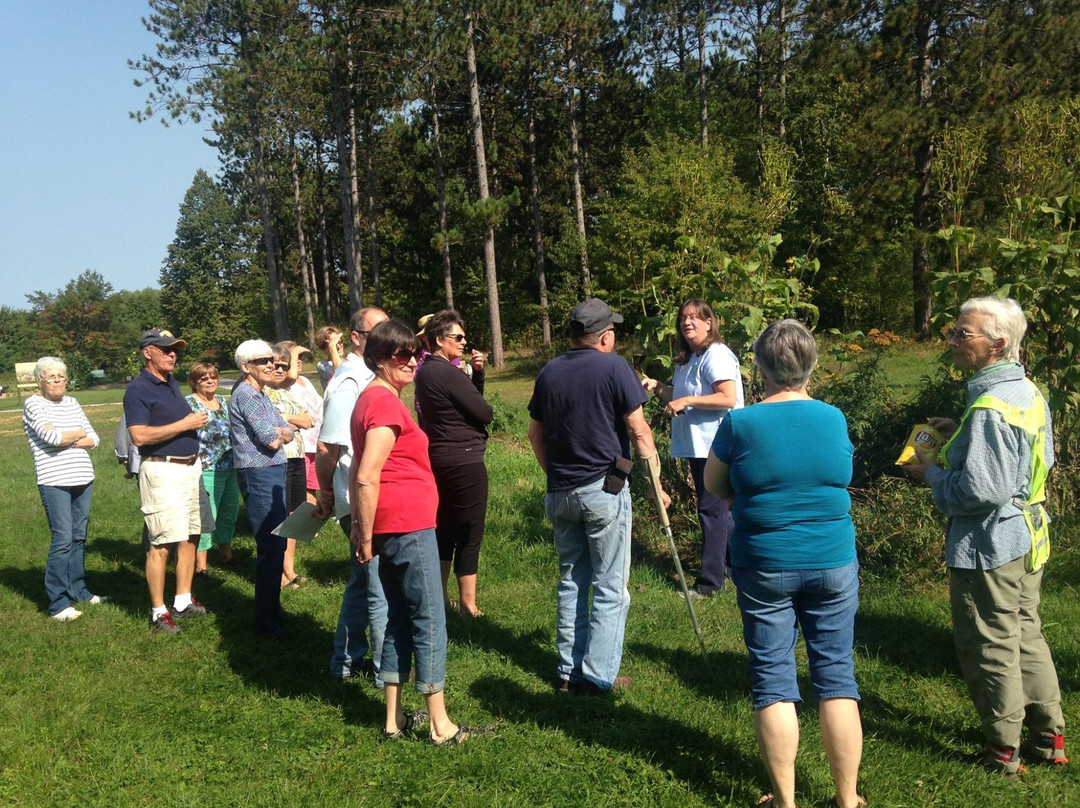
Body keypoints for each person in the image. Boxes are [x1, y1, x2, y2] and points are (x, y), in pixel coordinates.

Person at [704, 319, 864, 808]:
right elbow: (840, 473)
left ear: (759, 365)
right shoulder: (833, 416)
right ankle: (847, 798)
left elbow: (715, 484)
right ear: (812, 365)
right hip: (833, 558)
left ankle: (784, 801)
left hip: (765, 563)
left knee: (774, 677)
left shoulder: (741, 422)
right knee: (836, 675)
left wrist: (746, 494)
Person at [904, 297, 1067, 773]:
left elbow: (982, 490)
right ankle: (1048, 740)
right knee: (1026, 635)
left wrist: (931, 473)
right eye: (955, 331)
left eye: (963, 333)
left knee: (991, 644)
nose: (952, 340)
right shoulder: (1025, 391)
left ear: (997, 344)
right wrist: (960, 434)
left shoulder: (991, 407)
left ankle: (1002, 750)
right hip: (1029, 536)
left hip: (990, 545)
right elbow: (1031, 459)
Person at [527, 298, 668, 695]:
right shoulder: (614, 367)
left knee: (572, 581)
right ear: (605, 336)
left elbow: (534, 435)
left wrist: (554, 475)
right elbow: (639, 432)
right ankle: (598, 675)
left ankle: (568, 672)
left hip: (561, 493)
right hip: (603, 491)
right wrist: (657, 487)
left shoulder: (549, 372)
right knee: (609, 585)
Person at [351, 319, 479, 743]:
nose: (409, 361)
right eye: (398, 355)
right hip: (407, 524)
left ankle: (393, 719)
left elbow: (359, 472)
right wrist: (363, 534)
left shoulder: (371, 398)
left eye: (412, 353)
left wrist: (362, 528)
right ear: (378, 359)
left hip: (389, 525)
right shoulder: (385, 404)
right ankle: (441, 724)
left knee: (396, 619)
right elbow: (367, 475)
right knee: (428, 617)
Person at [642, 299, 744, 597]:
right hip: (700, 446)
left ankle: (709, 584)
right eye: (683, 319)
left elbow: (727, 398)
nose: (687, 323)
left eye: (694, 318)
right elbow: (682, 395)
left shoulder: (717, 355)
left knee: (711, 511)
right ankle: (734, 569)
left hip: (717, 444)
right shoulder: (691, 358)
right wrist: (659, 387)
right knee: (721, 511)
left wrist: (685, 402)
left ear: (709, 322)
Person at [313, 306, 390, 680]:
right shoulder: (350, 383)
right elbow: (328, 448)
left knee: (362, 581)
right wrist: (325, 492)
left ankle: (345, 661)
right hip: (357, 500)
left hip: (368, 495)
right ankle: (385, 670)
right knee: (380, 585)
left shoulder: (370, 376)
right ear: (356, 338)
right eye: (377, 331)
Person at [124, 328, 214, 634]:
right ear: (147, 352)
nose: (173, 354)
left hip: (190, 469)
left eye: (175, 349)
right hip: (163, 471)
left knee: (190, 536)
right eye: (166, 349)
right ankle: (158, 612)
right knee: (161, 543)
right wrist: (185, 424)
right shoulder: (138, 390)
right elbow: (138, 435)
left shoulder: (170, 383)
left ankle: (182, 600)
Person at [414, 309, 493, 618]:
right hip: (464, 460)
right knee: (470, 530)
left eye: (463, 337)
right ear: (438, 340)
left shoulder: (425, 371)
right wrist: (476, 391)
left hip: (439, 457)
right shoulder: (447, 372)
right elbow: (484, 412)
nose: (463, 342)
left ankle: (440, 598)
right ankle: (468, 605)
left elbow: (471, 402)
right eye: (456, 337)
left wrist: (479, 376)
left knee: (445, 528)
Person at [23, 357, 104, 621]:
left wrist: (72, 435)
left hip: (83, 476)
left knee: (79, 536)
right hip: (54, 480)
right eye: (52, 377)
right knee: (62, 539)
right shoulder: (33, 403)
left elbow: (95, 439)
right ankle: (57, 602)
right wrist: (77, 433)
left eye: (62, 377)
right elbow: (51, 438)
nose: (58, 381)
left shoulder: (72, 402)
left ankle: (78, 589)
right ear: (40, 381)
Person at [230, 339, 294, 638]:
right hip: (259, 473)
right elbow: (271, 438)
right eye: (262, 361)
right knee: (271, 546)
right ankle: (266, 622)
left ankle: (271, 612)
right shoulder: (247, 395)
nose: (271, 364)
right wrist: (281, 433)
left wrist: (282, 432)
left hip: (272, 470)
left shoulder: (263, 395)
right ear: (245, 367)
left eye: (271, 359)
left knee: (277, 543)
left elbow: (288, 433)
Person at [268, 342, 318, 589]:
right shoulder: (263, 392)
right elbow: (272, 422)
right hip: (279, 459)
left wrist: (288, 419)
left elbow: (308, 421)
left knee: (293, 514)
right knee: (279, 514)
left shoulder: (287, 392)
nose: (279, 370)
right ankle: (277, 572)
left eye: (284, 366)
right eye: (275, 365)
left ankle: (290, 568)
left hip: (297, 456)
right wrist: (291, 421)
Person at [186, 362, 240, 573]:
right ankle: (201, 567)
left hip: (230, 465)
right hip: (206, 467)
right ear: (194, 382)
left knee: (229, 512)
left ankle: (226, 555)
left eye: (213, 377)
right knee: (208, 516)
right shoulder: (189, 403)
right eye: (203, 378)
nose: (209, 381)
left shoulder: (222, 401)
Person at [315, 325, 345, 390]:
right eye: (334, 344)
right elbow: (341, 373)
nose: (339, 346)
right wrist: (332, 346)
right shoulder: (323, 366)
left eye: (339, 342)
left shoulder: (350, 360)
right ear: (324, 349)